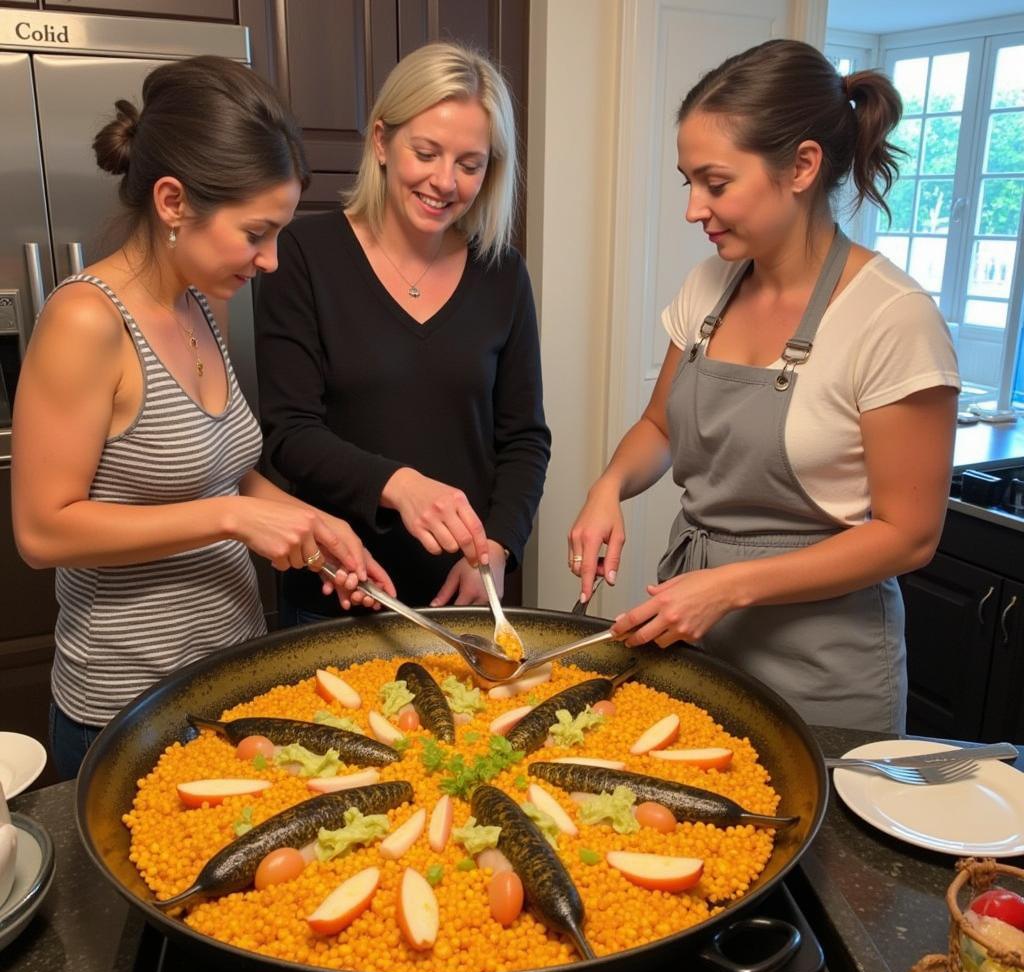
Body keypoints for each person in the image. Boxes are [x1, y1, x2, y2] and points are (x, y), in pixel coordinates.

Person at [11, 56, 393, 780]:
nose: (272, 260)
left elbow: (223, 471)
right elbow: (42, 530)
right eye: (256, 233)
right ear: (172, 201)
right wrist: (232, 520)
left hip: (225, 679)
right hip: (126, 705)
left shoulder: (200, 301)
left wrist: (313, 526)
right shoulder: (86, 319)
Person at [568, 39, 960, 732]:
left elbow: (908, 537)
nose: (694, 208)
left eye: (715, 183)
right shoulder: (709, 287)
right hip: (701, 642)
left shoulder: (892, 318)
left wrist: (728, 585)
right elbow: (660, 425)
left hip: (824, 669)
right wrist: (609, 488)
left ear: (802, 166)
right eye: (688, 181)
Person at [255, 42, 550, 620]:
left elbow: (524, 440)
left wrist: (497, 546)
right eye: (426, 152)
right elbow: (289, 434)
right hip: (338, 585)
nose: (445, 181)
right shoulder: (304, 255)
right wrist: (399, 484)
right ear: (382, 142)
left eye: (470, 164)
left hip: (463, 596)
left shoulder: (502, 273)